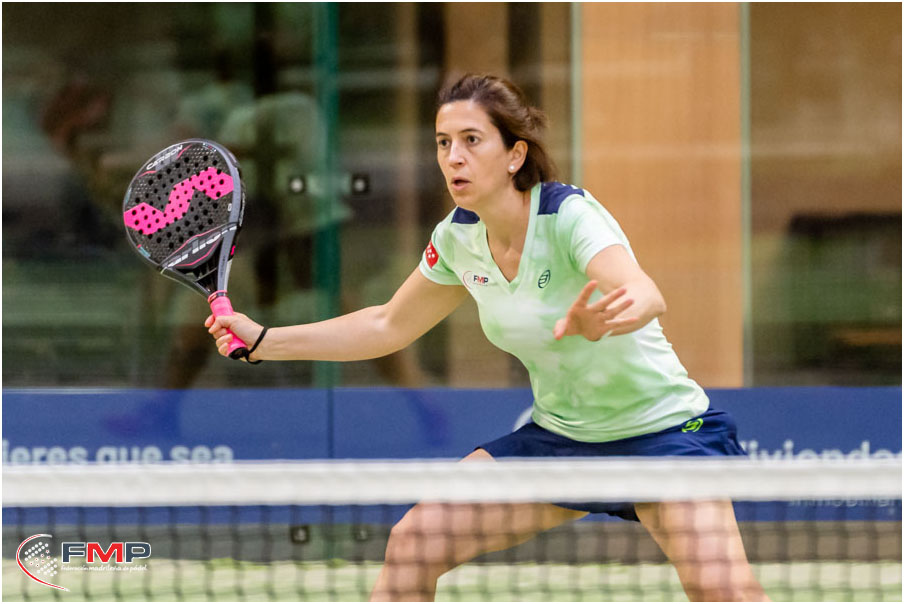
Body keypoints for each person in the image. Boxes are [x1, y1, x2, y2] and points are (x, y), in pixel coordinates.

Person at [205, 73, 769, 602]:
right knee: (414, 543)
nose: (453, 157)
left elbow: (643, 291)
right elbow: (387, 325)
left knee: (725, 593)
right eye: (443, 142)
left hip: (664, 436)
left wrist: (615, 315)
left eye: (472, 140)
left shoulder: (567, 215)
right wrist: (263, 339)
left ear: (514, 154)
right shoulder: (458, 239)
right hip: (562, 441)